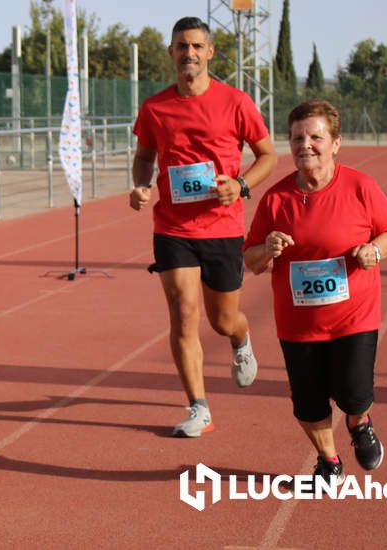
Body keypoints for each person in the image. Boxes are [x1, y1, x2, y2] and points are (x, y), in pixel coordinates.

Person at [130, 16, 277, 437]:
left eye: (196, 46)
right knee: (182, 313)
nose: (189, 53)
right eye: (181, 46)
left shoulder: (235, 102)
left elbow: (268, 155)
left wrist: (242, 184)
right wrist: (141, 185)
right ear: (171, 52)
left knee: (222, 319)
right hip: (173, 229)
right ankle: (199, 408)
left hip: (222, 227)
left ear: (209, 52)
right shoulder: (155, 107)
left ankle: (241, 337)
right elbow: (144, 157)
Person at [243, 99, 387, 484]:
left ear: (336, 143)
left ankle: (359, 421)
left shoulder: (361, 186)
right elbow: (250, 259)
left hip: (353, 317)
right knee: (308, 405)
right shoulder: (276, 199)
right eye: (297, 138)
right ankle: (329, 460)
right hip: (299, 325)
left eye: (316, 137)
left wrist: (374, 250)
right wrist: (269, 248)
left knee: (354, 393)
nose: (306, 145)